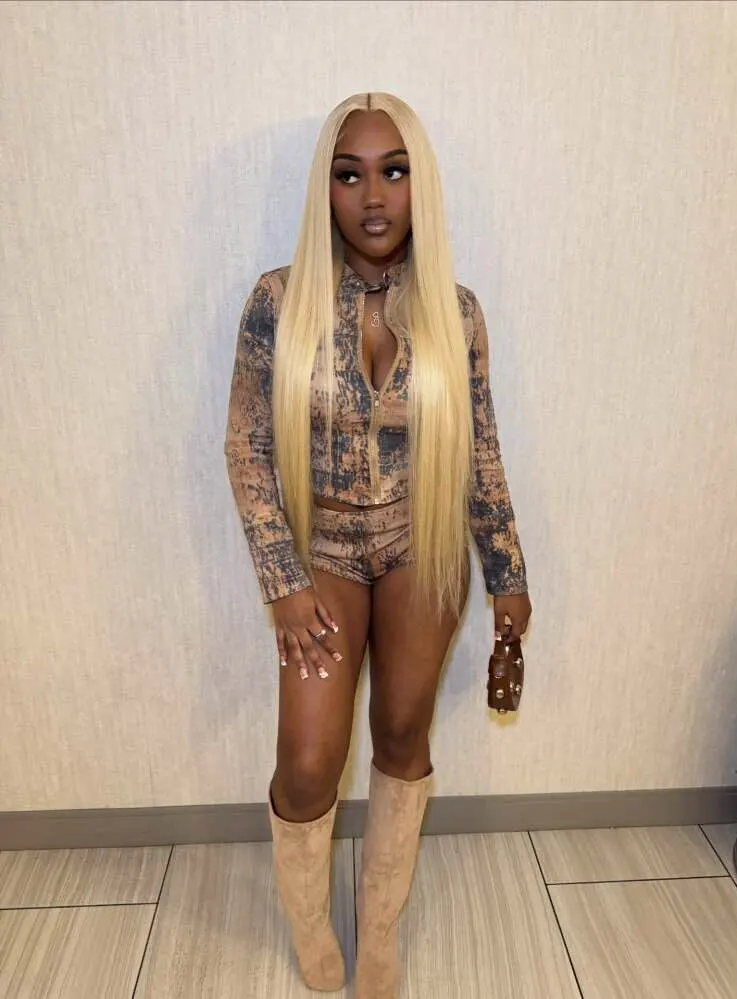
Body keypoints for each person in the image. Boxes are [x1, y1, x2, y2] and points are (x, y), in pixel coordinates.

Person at [224, 92, 532, 998]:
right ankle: (310, 921)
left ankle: (382, 927)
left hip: (420, 545)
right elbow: (245, 446)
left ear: (417, 183)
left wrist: (508, 571)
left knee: (402, 728)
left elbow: (479, 449)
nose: (373, 195)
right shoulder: (277, 301)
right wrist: (282, 580)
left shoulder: (456, 311)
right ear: (324, 190)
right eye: (349, 174)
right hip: (320, 552)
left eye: (393, 171)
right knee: (308, 761)